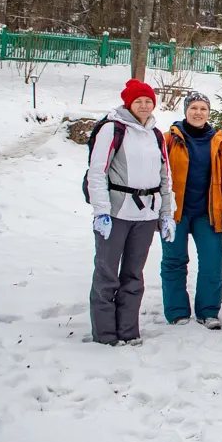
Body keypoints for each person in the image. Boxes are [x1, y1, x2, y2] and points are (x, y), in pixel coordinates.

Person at [87, 79, 175, 346]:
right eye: (139, 101)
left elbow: (165, 177)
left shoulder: (155, 134)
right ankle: (105, 333)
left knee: (134, 275)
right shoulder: (113, 129)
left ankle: (128, 330)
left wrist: (166, 213)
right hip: (116, 213)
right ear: (129, 103)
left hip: (146, 216)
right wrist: (101, 211)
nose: (145, 106)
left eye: (148, 101)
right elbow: (97, 172)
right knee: (107, 274)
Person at [163, 92, 222, 330]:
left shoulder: (217, 141)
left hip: (208, 212)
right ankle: (176, 310)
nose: (198, 113)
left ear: (209, 112)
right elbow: (158, 174)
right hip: (177, 212)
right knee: (174, 260)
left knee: (213, 261)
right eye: (193, 108)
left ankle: (207, 311)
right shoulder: (169, 139)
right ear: (185, 111)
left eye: (203, 108)